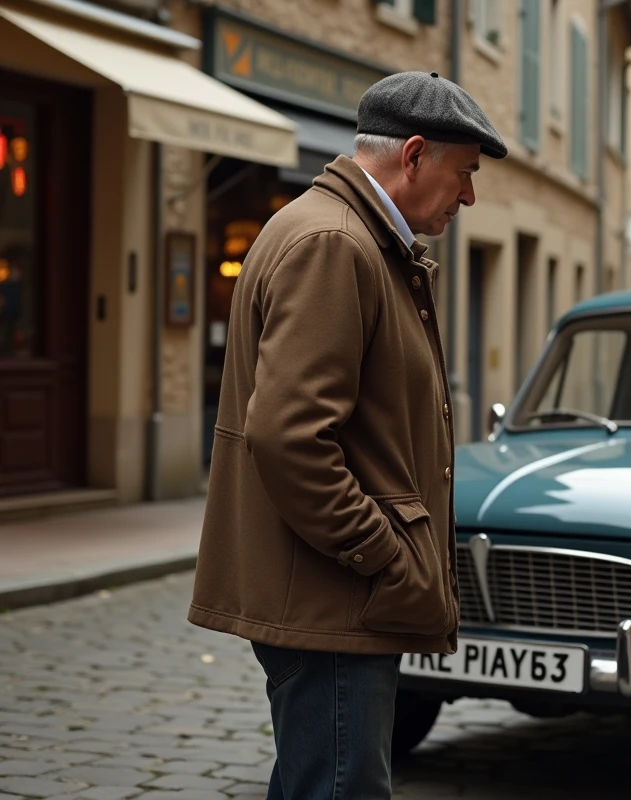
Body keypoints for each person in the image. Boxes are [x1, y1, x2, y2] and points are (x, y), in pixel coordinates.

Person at [187, 71, 507, 799]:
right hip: (333, 598)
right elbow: (291, 438)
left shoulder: (347, 234)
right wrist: (385, 556)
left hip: (331, 595)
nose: (468, 196)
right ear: (415, 154)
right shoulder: (337, 243)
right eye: (464, 174)